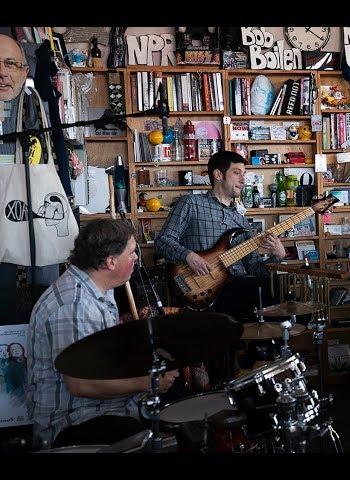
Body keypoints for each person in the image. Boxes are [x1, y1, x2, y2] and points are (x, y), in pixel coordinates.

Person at [26, 220, 179, 449]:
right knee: (160, 437)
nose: (137, 258)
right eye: (131, 253)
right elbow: (81, 385)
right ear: (111, 262)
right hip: (74, 423)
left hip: (103, 408)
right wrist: (149, 382)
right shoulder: (74, 306)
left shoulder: (100, 289)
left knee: (183, 402)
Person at [155, 150, 286, 319]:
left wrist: (278, 257)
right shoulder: (191, 203)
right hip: (202, 288)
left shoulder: (241, 222)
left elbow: (253, 270)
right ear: (218, 174)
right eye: (237, 173)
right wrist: (189, 256)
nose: (243, 179)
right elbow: (162, 241)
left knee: (282, 287)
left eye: (244, 174)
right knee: (276, 290)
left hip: (240, 287)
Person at [0, 34, 59, 323]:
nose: (2, 72)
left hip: (29, 221)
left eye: (10, 64)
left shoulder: (36, 106)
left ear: (25, 71)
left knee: (36, 302)